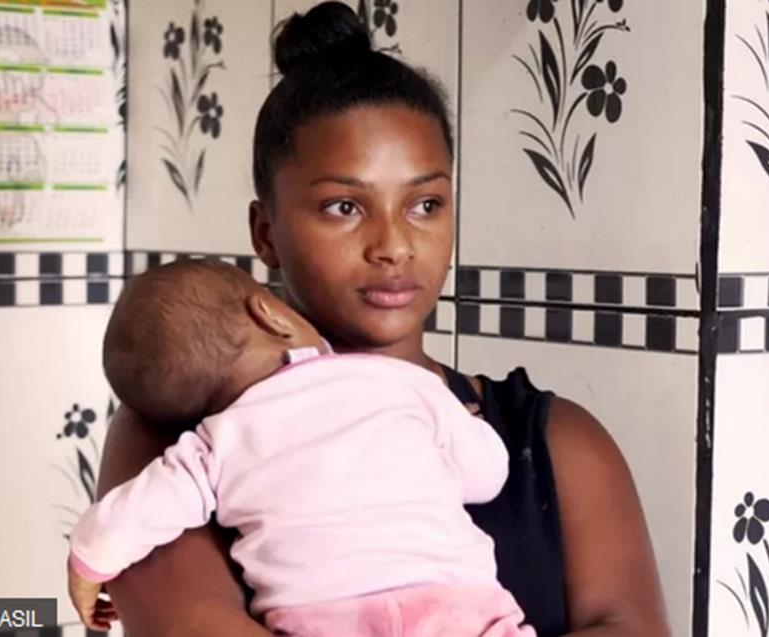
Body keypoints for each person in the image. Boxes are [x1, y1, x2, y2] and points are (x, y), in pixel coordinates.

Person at [92, 3, 670, 635]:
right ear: (265, 232)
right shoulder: (175, 437)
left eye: (425, 204)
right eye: (344, 206)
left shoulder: (557, 443)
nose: (394, 246)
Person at [67, 259, 533, 635]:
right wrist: (466, 427)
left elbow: (132, 515)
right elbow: (488, 474)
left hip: (325, 620)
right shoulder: (397, 380)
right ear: (270, 314)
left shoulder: (215, 443)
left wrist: (87, 569)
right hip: (455, 604)